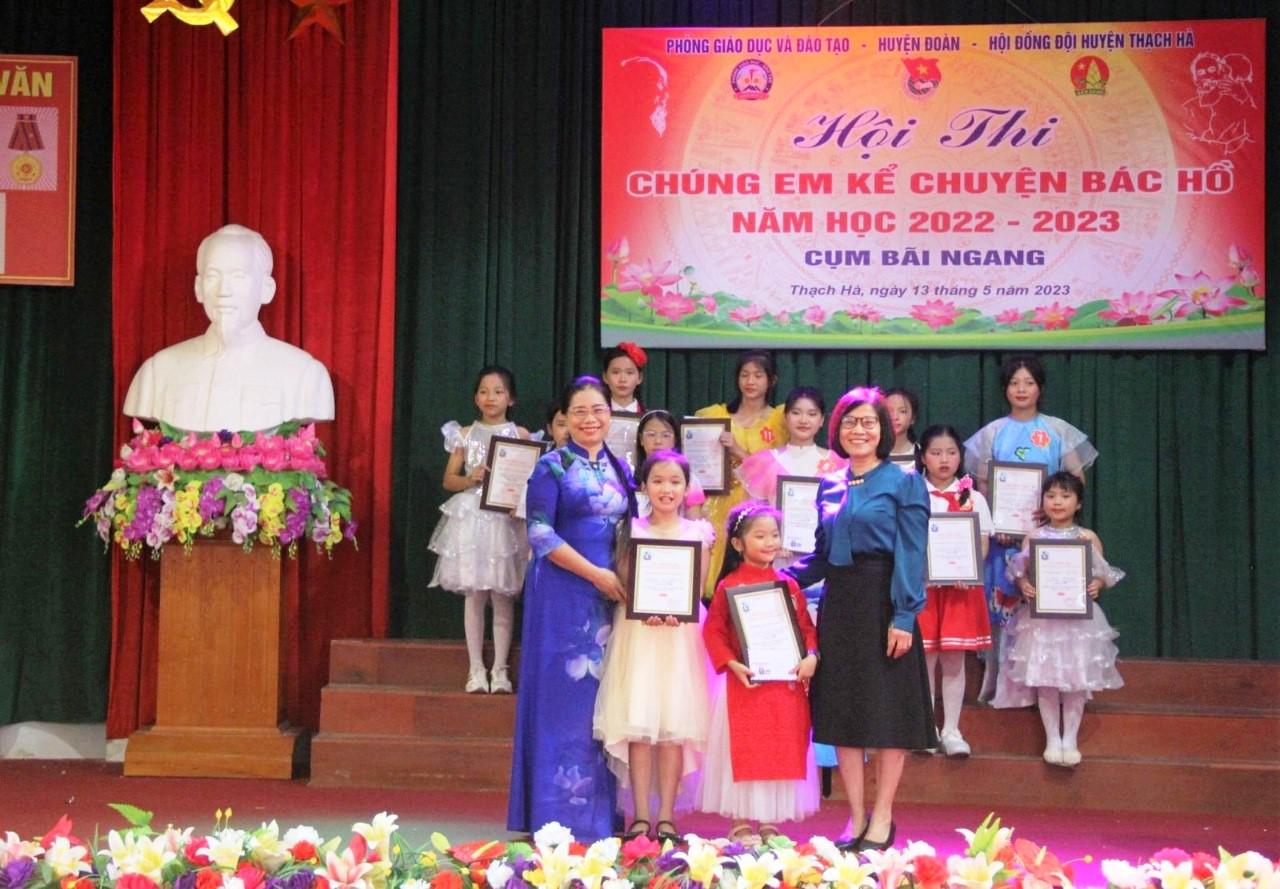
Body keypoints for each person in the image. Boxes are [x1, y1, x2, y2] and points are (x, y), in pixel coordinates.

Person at [788, 386, 934, 852]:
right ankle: (855, 817)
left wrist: (905, 615)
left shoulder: (904, 482)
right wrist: (777, 576)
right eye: (850, 422)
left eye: (868, 422)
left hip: (885, 602)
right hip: (840, 606)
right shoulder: (830, 484)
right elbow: (822, 555)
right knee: (844, 714)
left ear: (883, 429)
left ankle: (883, 817)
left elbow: (912, 552)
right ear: (838, 429)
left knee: (889, 715)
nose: (859, 430)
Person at [507, 376, 635, 841]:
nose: (589, 419)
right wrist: (595, 574)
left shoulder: (621, 467)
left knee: (602, 703)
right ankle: (555, 815)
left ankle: (600, 815)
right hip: (563, 595)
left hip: (610, 598)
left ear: (610, 414)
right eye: (579, 411)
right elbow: (540, 534)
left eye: (598, 410)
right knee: (563, 700)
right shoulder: (551, 466)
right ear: (564, 418)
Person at [594, 450, 713, 842]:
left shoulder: (699, 534)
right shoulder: (631, 529)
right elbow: (625, 580)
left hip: (680, 638)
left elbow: (696, 589)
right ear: (644, 486)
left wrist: (675, 611)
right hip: (638, 634)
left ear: (687, 487)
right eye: (658, 481)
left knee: (674, 727)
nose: (667, 489)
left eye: (675, 481)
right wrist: (646, 606)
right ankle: (641, 815)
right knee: (639, 725)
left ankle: (666, 817)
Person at [964, 356, 1098, 701]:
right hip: (1002, 542)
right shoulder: (992, 432)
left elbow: (1075, 480)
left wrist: (1052, 512)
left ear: (1040, 388)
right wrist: (996, 522)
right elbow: (983, 486)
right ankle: (1000, 685)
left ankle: (1046, 686)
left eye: (1029, 383)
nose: (1021, 389)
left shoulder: (1057, 430)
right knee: (1003, 612)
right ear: (1005, 389)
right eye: (1014, 383)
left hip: (1048, 539)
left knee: (1044, 612)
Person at [123, 224, 334, 433]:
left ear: (266, 289)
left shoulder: (305, 375)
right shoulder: (157, 372)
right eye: (213, 276)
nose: (224, 290)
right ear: (198, 288)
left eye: (239, 276)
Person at [701, 502, 819, 842]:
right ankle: (740, 820)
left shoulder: (788, 586)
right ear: (738, 543)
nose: (770, 542)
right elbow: (714, 632)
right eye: (760, 536)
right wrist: (731, 663)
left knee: (777, 748)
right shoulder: (728, 585)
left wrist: (811, 656)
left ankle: (770, 819)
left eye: (774, 535)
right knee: (746, 749)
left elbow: (806, 629)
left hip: (784, 686)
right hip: (745, 685)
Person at [992, 472, 1124, 767]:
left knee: (1076, 679)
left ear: (1079, 503)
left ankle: (1070, 739)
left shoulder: (1087, 537)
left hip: (1078, 622)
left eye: (1065, 496)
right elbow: (1018, 572)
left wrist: (1097, 584)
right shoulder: (1035, 537)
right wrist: (1024, 584)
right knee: (1046, 679)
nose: (1057, 502)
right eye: (1051, 496)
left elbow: (1103, 574)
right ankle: (1052, 739)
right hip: (1042, 621)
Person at [427, 366, 530, 694]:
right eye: (484, 391)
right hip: (472, 517)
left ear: (511, 399)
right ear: (475, 397)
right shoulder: (465, 434)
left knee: (502, 595)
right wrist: (470, 479)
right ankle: (475, 668)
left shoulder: (520, 434)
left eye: (498, 392)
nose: (490, 397)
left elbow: (529, 477)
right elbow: (448, 480)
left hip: (505, 520)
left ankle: (500, 669)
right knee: (474, 595)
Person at [918, 425, 993, 757]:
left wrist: (968, 569)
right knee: (925, 659)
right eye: (936, 453)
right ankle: (925, 729)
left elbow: (982, 543)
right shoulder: (913, 494)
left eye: (951, 452)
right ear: (923, 457)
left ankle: (951, 729)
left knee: (953, 659)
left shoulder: (973, 497)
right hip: (922, 589)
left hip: (960, 591)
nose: (944, 459)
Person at [695, 350, 788, 597]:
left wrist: (737, 450)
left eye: (758, 375)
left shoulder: (779, 420)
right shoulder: (716, 416)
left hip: (758, 507)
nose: (750, 381)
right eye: (744, 375)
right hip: (718, 505)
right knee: (712, 578)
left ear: (772, 380)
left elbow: (775, 471)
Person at [634, 410, 704, 519]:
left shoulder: (689, 479)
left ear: (675, 440)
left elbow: (695, 521)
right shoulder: (628, 475)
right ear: (641, 439)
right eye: (651, 434)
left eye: (666, 435)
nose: (658, 441)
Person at [603, 342, 647, 413]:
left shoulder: (649, 418)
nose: (622, 379)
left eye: (629, 373)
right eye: (616, 372)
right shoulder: (598, 416)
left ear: (640, 378)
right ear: (605, 377)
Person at [883, 387, 920, 465]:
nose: (895, 417)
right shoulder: (870, 454)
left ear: (913, 418)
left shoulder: (921, 454)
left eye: (902, 411)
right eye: (889, 411)